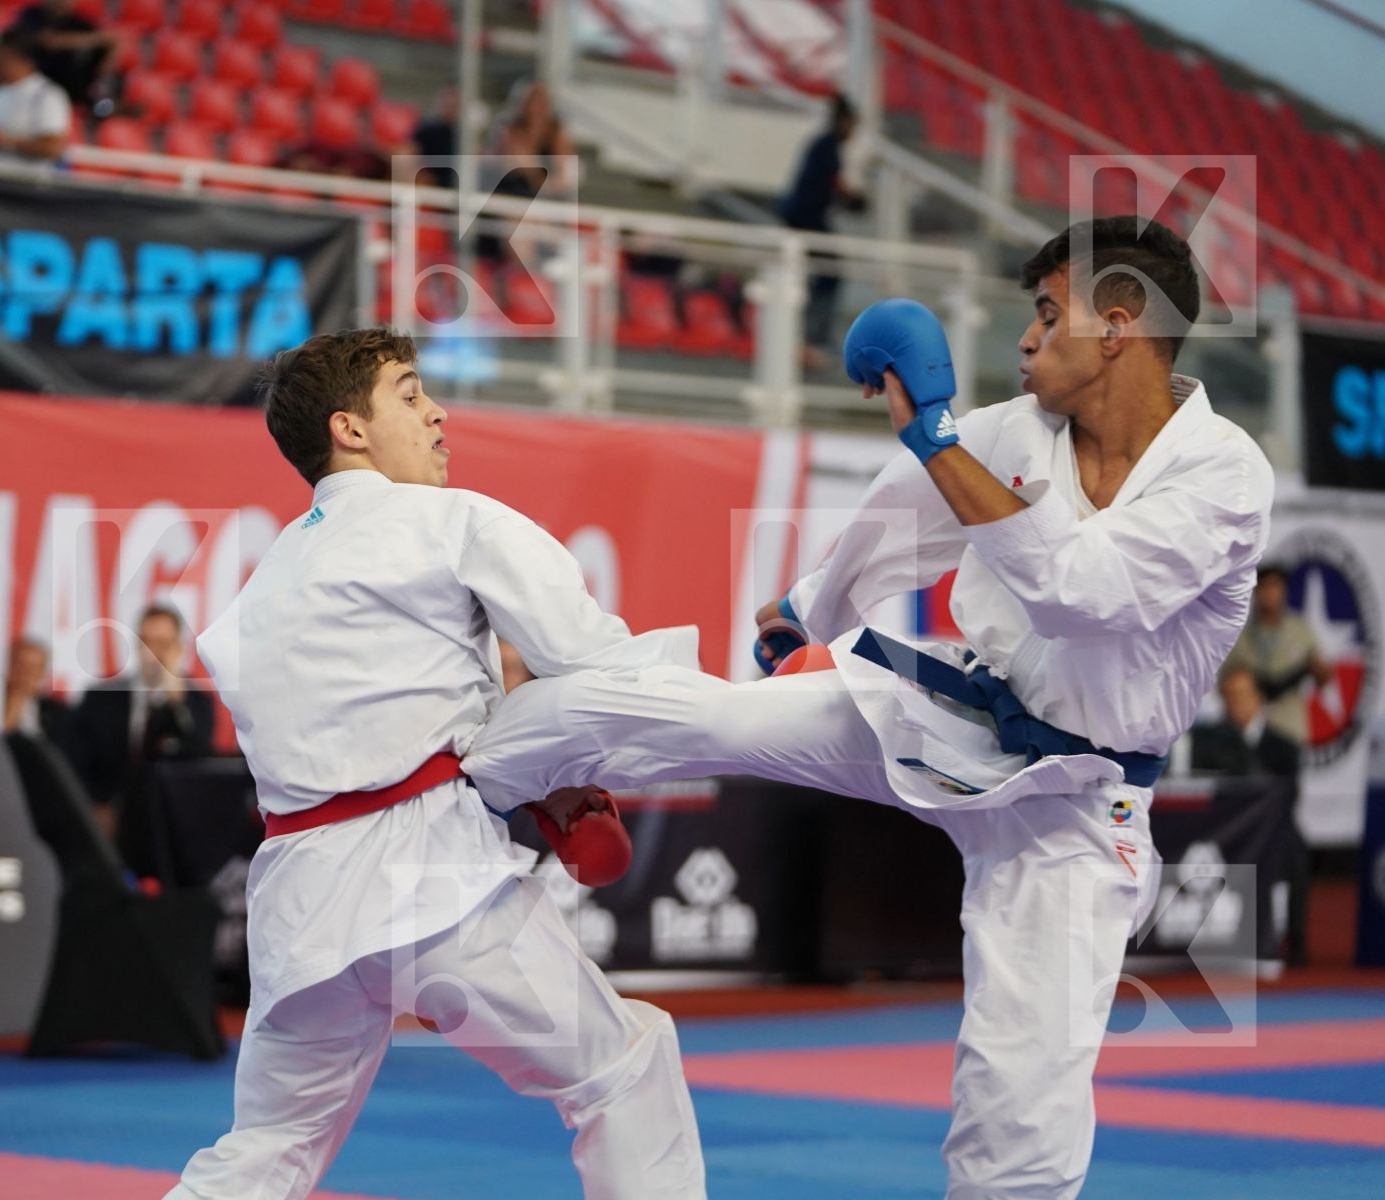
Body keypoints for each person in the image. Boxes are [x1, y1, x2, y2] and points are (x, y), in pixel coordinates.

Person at [462, 216, 1274, 1199]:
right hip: (965, 717)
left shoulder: (1223, 474)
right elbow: (905, 508)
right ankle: (468, 777)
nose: (1023, 339)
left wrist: (935, 438)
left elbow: (1087, 590)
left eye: (1047, 315)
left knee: (1018, 1099)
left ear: (1117, 327)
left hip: (1082, 804)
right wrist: (813, 603)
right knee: (716, 718)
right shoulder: (1012, 432)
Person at [168, 329, 705, 1199]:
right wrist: (739, 704)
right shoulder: (451, 520)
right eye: (411, 395)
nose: (438, 413)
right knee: (623, 1067)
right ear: (350, 428)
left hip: (300, 904)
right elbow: (590, 661)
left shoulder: (259, 587)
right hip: (429, 885)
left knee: (269, 1145)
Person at [66, 604, 215, 858]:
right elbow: (76, 761)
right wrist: (94, 806)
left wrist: (175, 698)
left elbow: (199, 758)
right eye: (147, 641)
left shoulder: (196, 703)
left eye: (163, 643)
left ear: (178, 648)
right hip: (110, 823)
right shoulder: (101, 698)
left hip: (171, 829)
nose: (153, 652)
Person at [778, 92, 866, 363]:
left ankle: (811, 337)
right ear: (843, 121)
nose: (854, 131)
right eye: (852, 124)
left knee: (823, 274)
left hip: (806, 216)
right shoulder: (827, 145)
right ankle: (814, 338)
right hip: (805, 217)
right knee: (831, 273)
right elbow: (837, 186)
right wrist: (855, 199)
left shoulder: (825, 145)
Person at [1221, 564, 1332, 748]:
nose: (1269, 593)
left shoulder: (1299, 630)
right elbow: (1226, 683)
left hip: (1288, 725)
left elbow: (1323, 675)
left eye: (1275, 586)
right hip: (1248, 732)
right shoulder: (1241, 634)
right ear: (1255, 591)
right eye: (1263, 586)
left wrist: (1318, 671)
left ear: (1284, 591)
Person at [0, 27, 72, 165]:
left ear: (11, 53)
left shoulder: (46, 95)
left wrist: (6, 141)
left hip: (21, 184)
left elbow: (53, 148)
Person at [1190, 667, 1301, 778]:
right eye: (1229, 695)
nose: (1235, 702)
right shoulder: (1206, 744)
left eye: (1241, 694)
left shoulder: (1285, 750)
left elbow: (1287, 790)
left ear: (1259, 698)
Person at [11, 0, 117, 113]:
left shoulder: (79, 23)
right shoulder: (31, 15)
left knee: (104, 101)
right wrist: (94, 40)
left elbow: (110, 45)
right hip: (38, 90)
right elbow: (49, 41)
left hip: (74, 94)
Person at [3, 636, 70, 741]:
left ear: (42, 673)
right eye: (20, 665)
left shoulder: (57, 712)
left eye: (33, 668)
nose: (26, 674)